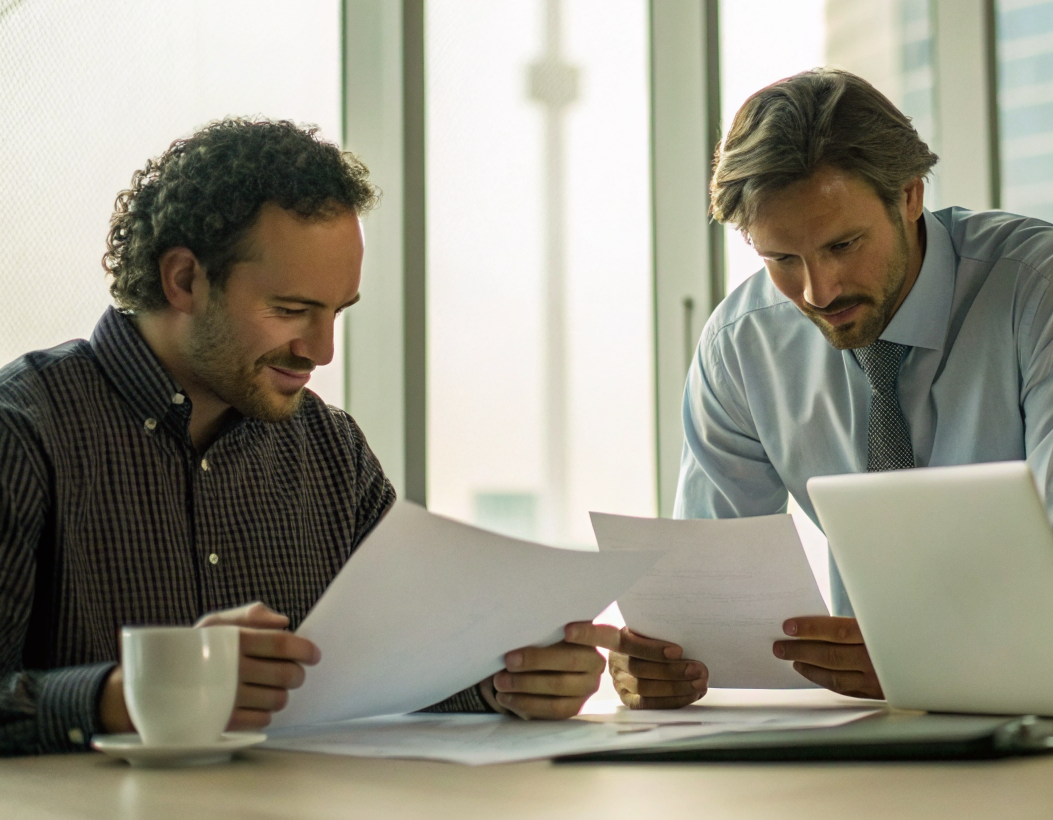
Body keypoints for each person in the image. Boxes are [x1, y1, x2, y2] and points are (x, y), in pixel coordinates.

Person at [0, 119, 614, 755]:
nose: (320, 351)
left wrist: (502, 679)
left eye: (336, 313)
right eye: (291, 311)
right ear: (183, 280)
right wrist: (122, 697)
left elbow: (395, 658)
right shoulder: (22, 433)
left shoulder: (330, 449)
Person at [608, 68, 1053, 708]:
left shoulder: (1048, 287)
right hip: (874, 703)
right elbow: (713, 593)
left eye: (843, 244)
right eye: (781, 260)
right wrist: (672, 660)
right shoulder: (742, 343)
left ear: (909, 195)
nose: (818, 292)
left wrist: (928, 652)